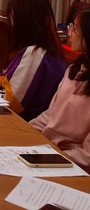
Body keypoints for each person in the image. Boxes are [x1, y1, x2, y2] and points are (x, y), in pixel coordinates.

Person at [0, 0, 66, 121]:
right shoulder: (44, 49)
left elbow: (11, 102)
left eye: (13, 16)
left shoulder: (35, 53)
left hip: (23, 123)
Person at [30, 9, 90, 171]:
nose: (69, 32)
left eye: (74, 28)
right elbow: (50, 114)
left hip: (68, 162)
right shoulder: (74, 69)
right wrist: (25, 132)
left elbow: (86, 156)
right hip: (47, 147)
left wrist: (50, 157)